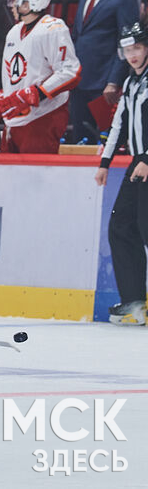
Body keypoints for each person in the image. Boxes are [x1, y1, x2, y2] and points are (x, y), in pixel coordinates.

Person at [0, 0, 82, 153]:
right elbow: (15, 78)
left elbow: (70, 72)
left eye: (15, 1)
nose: (11, 5)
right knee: (7, 178)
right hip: (13, 123)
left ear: (28, 4)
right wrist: (2, 101)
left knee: (34, 178)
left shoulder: (53, 28)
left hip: (41, 120)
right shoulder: (14, 32)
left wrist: (35, 93)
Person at [95, 22, 148, 326]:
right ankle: (134, 300)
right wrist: (105, 162)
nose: (132, 55)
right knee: (121, 225)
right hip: (137, 165)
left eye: (137, 48)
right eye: (127, 50)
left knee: (144, 226)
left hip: (146, 162)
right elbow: (119, 124)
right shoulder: (131, 83)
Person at [71, 0, 139, 144]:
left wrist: (114, 81)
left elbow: (127, 42)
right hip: (79, 79)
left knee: (100, 141)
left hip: (103, 84)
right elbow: (78, 36)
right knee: (78, 139)